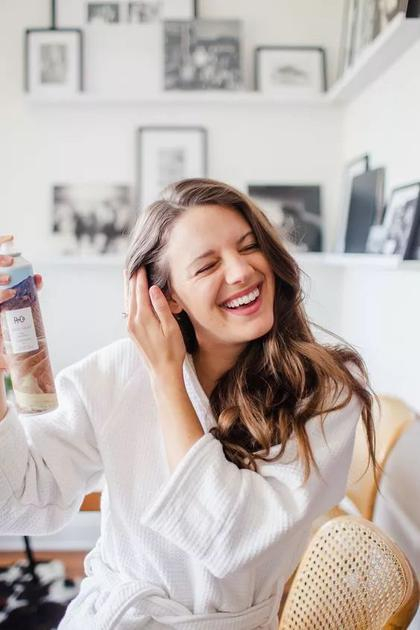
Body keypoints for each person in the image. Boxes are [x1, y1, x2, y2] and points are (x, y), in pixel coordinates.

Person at [0, 178, 377, 629]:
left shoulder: (324, 391)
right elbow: (25, 501)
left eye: (249, 246)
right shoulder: (116, 372)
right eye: (207, 265)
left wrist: (167, 379)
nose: (240, 272)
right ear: (166, 297)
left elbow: (232, 542)